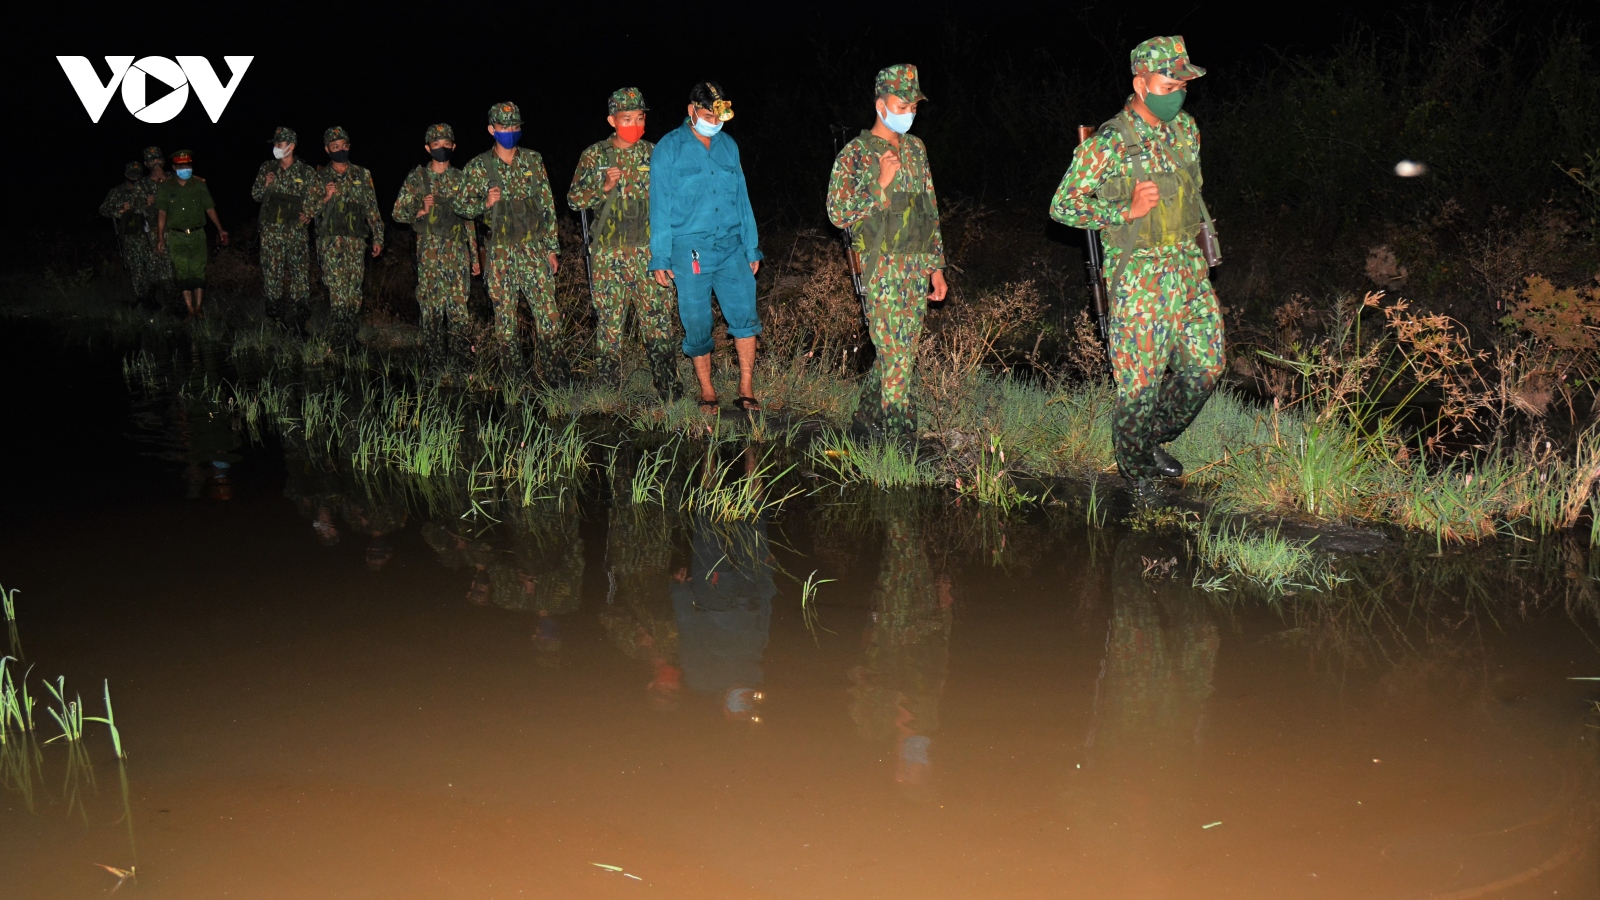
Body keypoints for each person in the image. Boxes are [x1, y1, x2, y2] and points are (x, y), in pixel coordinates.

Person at [1048, 36, 1224, 490]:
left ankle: (1146, 441)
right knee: (1140, 388)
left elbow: (1193, 192)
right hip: (1140, 275)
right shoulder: (1111, 141)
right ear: (1140, 84)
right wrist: (1121, 210)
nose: (1178, 94)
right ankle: (1138, 478)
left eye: (1184, 85)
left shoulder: (1187, 130)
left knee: (1207, 366)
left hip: (1188, 266)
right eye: (1169, 85)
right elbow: (1063, 206)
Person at [827, 65, 950, 439]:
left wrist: (937, 267)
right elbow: (837, 213)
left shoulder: (916, 149)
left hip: (914, 268)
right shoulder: (857, 153)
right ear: (880, 105)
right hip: (879, 269)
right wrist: (880, 184)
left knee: (899, 353)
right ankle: (902, 442)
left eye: (914, 105)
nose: (909, 112)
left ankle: (864, 420)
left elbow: (929, 208)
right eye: (902, 104)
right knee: (897, 358)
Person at [648, 81, 763, 414]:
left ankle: (745, 388)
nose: (714, 121)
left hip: (731, 246)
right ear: (691, 111)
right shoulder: (668, 148)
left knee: (745, 316)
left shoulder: (728, 146)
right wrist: (660, 256)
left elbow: (742, 198)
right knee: (697, 320)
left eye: (719, 114)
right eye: (707, 114)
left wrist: (751, 247)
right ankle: (708, 391)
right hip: (690, 249)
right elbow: (659, 205)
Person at [568, 87, 680, 398]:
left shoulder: (655, 153)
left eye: (640, 117)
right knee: (609, 325)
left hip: (649, 253)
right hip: (607, 256)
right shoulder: (594, 156)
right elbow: (574, 199)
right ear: (612, 120)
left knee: (657, 321)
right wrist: (603, 187)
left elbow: (673, 200)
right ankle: (608, 389)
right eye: (627, 118)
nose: (634, 123)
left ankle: (668, 387)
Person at [454, 101, 562, 372]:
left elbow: (547, 206)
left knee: (548, 315)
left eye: (515, 126)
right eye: (504, 127)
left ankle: (556, 375)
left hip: (534, 249)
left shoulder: (533, 160)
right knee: (505, 320)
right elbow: (460, 206)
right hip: (500, 252)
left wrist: (551, 248)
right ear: (492, 129)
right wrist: (484, 204)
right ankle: (512, 379)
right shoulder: (479, 167)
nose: (510, 131)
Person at [392, 123, 479, 366]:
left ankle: (461, 364)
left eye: (447, 144)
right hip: (428, 257)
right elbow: (397, 213)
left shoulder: (461, 179)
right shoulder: (417, 178)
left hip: (457, 255)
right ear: (428, 148)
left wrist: (475, 257)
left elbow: (469, 220)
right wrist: (418, 210)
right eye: (437, 144)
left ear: (454, 147)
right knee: (431, 310)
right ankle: (434, 365)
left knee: (459, 310)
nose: (442, 148)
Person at [302, 126, 384, 348]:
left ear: (349, 146)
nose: (340, 150)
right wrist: (326, 198)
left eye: (344, 146)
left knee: (354, 291)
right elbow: (307, 212)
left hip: (356, 242)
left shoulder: (362, 175)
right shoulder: (319, 178)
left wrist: (378, 237)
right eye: (335, 147)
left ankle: (350, 333)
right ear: (327, 149)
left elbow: (372, 208)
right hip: (330, 243)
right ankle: (341, 338)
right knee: (337, 291)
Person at [250, 127, 317, 331]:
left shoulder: (306, 172)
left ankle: (300, 320)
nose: (276, 148)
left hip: (296, 233)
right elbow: (256, 195)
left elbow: (315, 198)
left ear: (291, 146)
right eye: (275, 144)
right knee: (272, 276)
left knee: (300, 276)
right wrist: (266, 184)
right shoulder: (267, 167)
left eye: (280, 144)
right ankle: (276, 320)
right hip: (271, 234)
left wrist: (310, 212)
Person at [154, 150, 229, 318]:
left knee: (198, 270)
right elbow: (162, 214)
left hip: (197, 234)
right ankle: (190, 309)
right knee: (182, 272)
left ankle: (199, 308)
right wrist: (160, 237)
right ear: (174, 167)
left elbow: (210, 208)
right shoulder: (166, 187)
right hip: (176, 236)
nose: (185, 168)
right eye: (181, 166)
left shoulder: (199, 184)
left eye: (188, 165)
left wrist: (220, 228)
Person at [99, 161, 157, 304]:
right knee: (136, 268)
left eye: (138, 175)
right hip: (131, 235)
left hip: (150, 234)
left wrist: (152, 203)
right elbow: (103, 210)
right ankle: (142, 298)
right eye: (132, 175)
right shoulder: (117, 191)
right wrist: (120, 210)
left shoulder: (147, 188)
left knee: (153, 266)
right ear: (126, 175)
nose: (135, 178)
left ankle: (153, 295)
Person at [140, 146, 176, 298]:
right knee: (160, 265)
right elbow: (133, 208)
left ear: (162, 160)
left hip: (178, 228)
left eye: (157, 159)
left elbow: (185, 195)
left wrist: (164, 180)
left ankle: (181, 300)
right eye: (151, 160)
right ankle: (166, 299)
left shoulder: (173, 177)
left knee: (178, 265)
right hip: (155, 230)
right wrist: (145, 203)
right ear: (146, 163)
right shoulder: (142, 184)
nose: (155, 163)